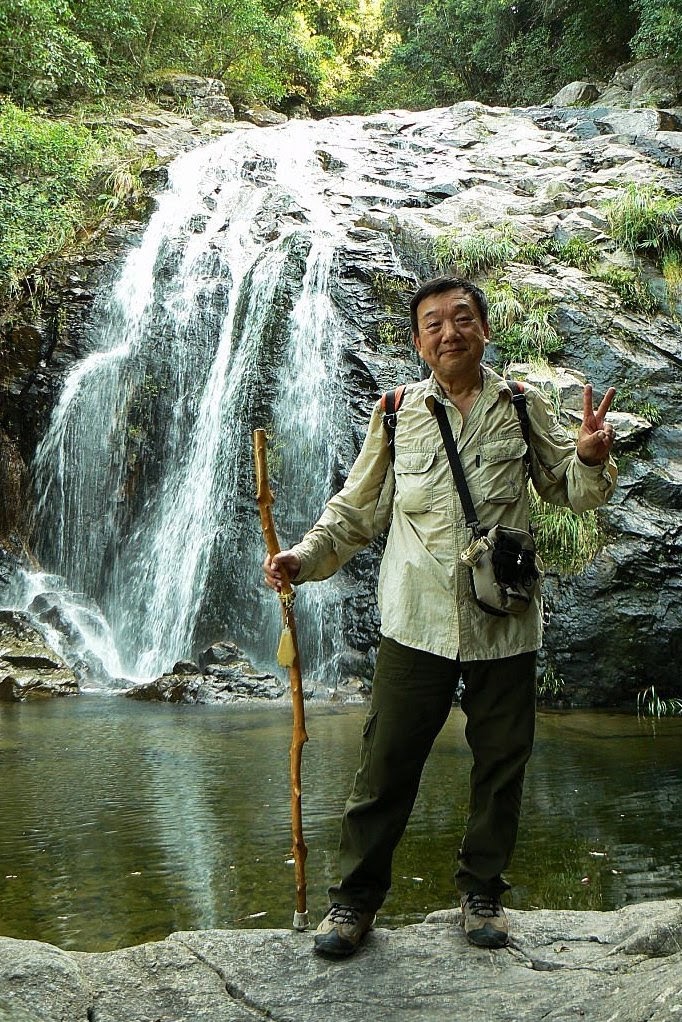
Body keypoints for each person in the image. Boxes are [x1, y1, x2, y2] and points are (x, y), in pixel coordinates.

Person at [263, 275, 617, 957]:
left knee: (501, 766)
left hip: (504, 621)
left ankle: (482, 891)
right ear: (419, 343)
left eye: (462, 318)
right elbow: (355, 512)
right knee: (385, 766)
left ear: (484, 329)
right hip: (415, 620)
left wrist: (588, 458)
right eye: (434, 324)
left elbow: (569, 491)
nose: (449, 332)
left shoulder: (522, 405)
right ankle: (353, 902)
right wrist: (301, 559)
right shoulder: (397, 413)